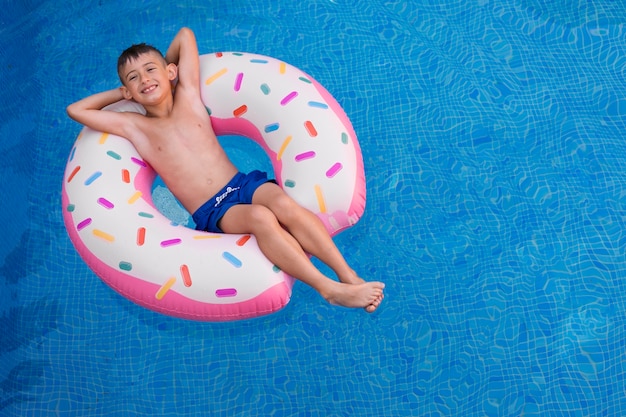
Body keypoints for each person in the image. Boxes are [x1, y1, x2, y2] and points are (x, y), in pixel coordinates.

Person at [67, 27, 384, 312]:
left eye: (150, 70)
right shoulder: (135, 126)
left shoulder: (189, 95)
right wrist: (120, 94)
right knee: (260, 218)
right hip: (214, 208)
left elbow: (186, 35)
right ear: (128, 92)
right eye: (133, 78)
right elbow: (76, 110)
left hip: (242, 183)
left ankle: (347, 275)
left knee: (282, 204)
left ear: (171, 71)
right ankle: (327, 289)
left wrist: (163, 72)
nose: (144, 80)